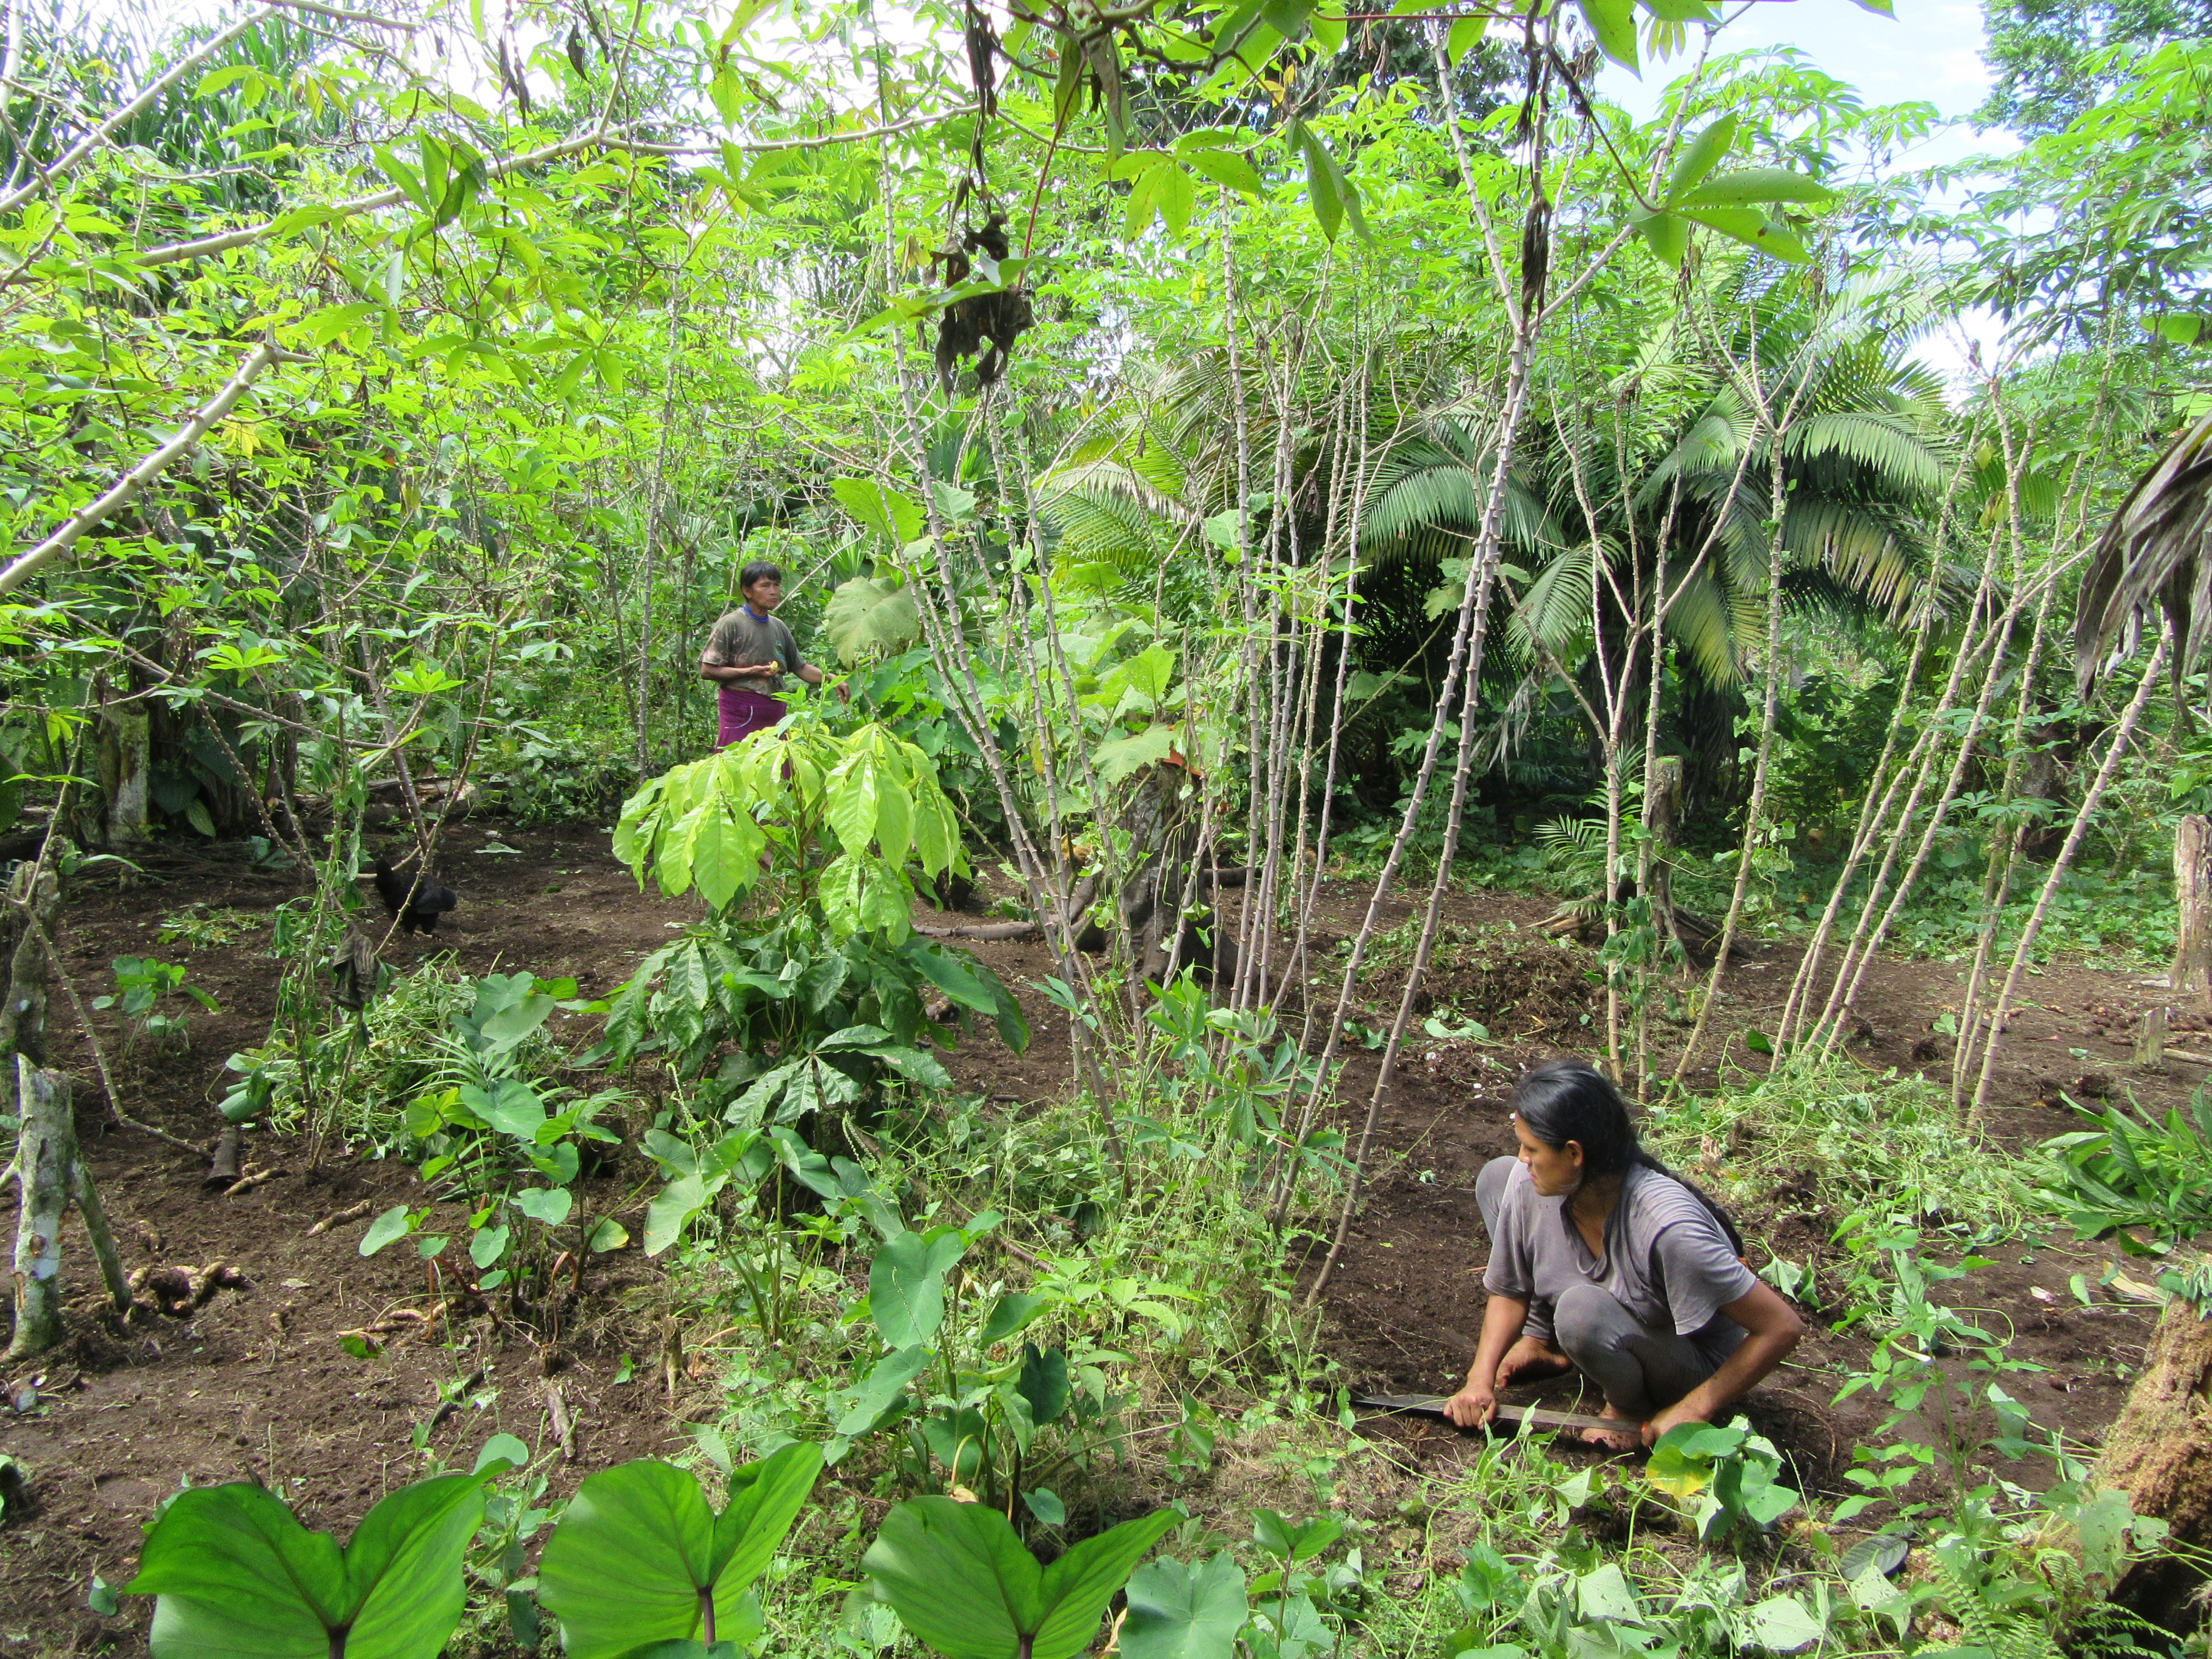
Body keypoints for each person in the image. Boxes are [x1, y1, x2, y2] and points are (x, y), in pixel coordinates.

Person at [1444, 1058, 1803, 1449]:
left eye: (1532, 1148)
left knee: (1581, 1312)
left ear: (1574, 1154)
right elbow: (1509, 1290)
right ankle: (1544, 1340)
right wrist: (1478, 1380)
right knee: (1499, 1178)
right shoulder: (1538, 1182)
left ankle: (1629, 1406)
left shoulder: (1670, 1230)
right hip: (1614, 1315)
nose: (1523, 1158)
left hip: (1689, 1360)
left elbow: (1781, 1327)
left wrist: (1696, 1406)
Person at [699, 561, 836, 749]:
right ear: (747, 591)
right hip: (741, 710)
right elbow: (707, 671)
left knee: (776, 764)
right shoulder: (731, 624)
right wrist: (750, 672)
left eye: (776, 585)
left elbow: (801, 668)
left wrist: (832, 679)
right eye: (765, 586)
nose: (773, 592)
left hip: (774, 711)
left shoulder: (778, 626)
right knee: (737, 760)